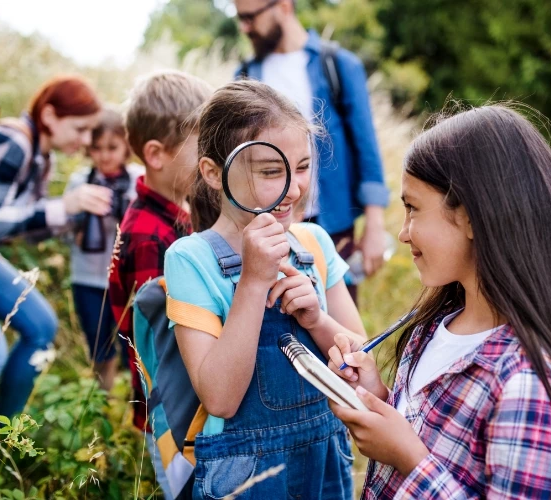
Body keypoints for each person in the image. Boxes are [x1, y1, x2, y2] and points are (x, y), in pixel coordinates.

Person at [328, 105, 551, 499]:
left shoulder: (527, 381)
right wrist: (375, 399)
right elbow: (436, 434)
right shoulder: (433, 326)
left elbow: (419, 455)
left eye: (413, 208)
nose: (402, 233)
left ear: (468, 216)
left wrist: (409, 460)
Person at [164, 80, 366, 499]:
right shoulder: (190, 259)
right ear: (214, 174)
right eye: (272, 171)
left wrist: (317, 319)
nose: (294, 189)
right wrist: (253, 282)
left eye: (305, 166)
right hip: (245, 478)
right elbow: (220, 398)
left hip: (326, 464)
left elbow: (360, 370)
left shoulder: (314, 244)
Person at [0, 75, 108, 423]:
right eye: (80, 129)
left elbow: (20, 228)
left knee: (41, 325)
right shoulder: (13, 143)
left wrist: (74, 219)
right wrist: (62, 207)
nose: (85, 140)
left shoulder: (42, 160)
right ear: (50, 115)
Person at [234, 0, 389, 301]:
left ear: (284, 6)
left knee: (339, 321)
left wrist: (375, 224)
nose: (244, 27)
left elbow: (366, 147)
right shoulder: (245, 76)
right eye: (240, 19)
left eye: (250, 17)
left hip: (335, 226)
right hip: (271, 224)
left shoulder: (339, 65)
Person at [107, 70, 213, 498]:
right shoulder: (149, 235)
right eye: (201, 148)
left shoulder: (172, 214)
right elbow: (161, 342)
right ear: (156, 154)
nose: (211, 160)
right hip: (174, 413)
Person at [64, 107, 143, 391]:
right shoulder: (80, 182)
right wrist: (80, 225)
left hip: (127, 279)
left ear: (126, 147)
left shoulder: (137, 180)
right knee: (99, 346)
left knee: (134, 350)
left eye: (112, 147)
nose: (105, 155)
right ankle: (101, 404)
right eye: (97, 148)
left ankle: (137, 407)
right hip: (87, 277)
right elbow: (62, 230)